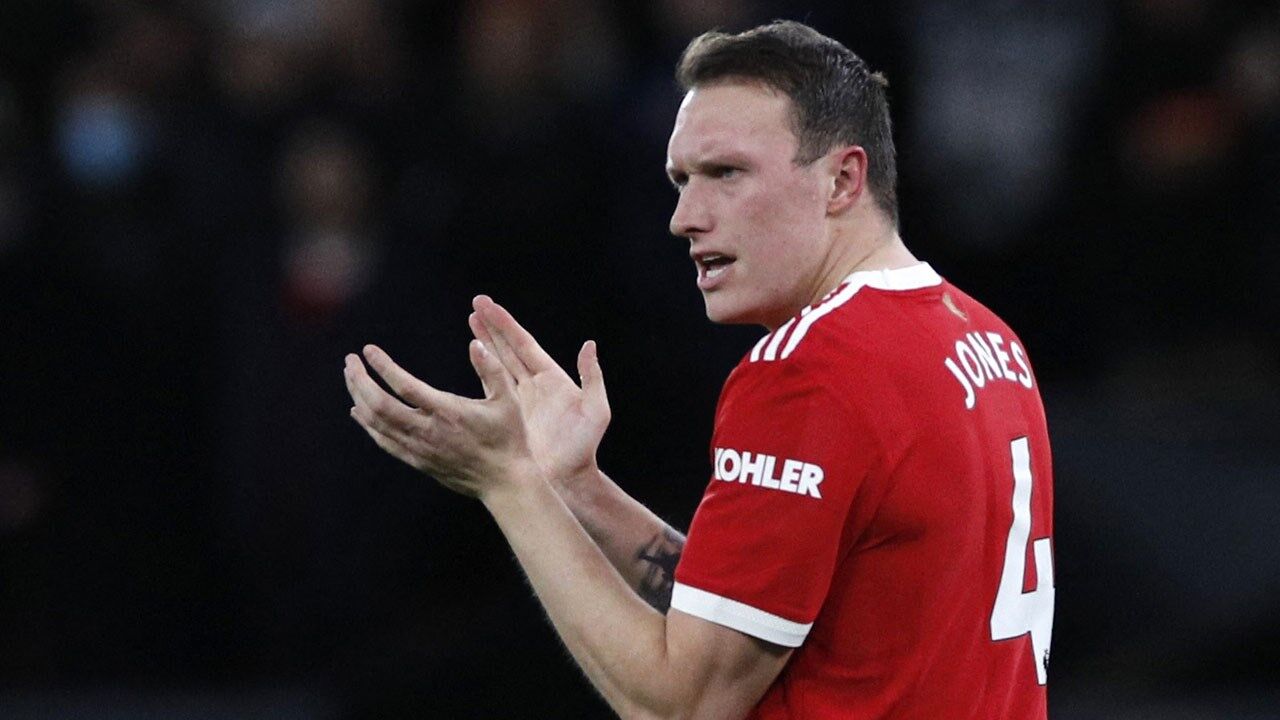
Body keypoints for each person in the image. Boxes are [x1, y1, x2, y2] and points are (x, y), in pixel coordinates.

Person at [343, 19, 1054, 719]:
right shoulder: (988, 340)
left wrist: (510, 483)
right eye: (681, 179)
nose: (684, 216)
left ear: (842, 180)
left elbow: (682, 704)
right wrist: (577, 486)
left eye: (725, 174)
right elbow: (754, 607)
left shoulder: (813, 371)